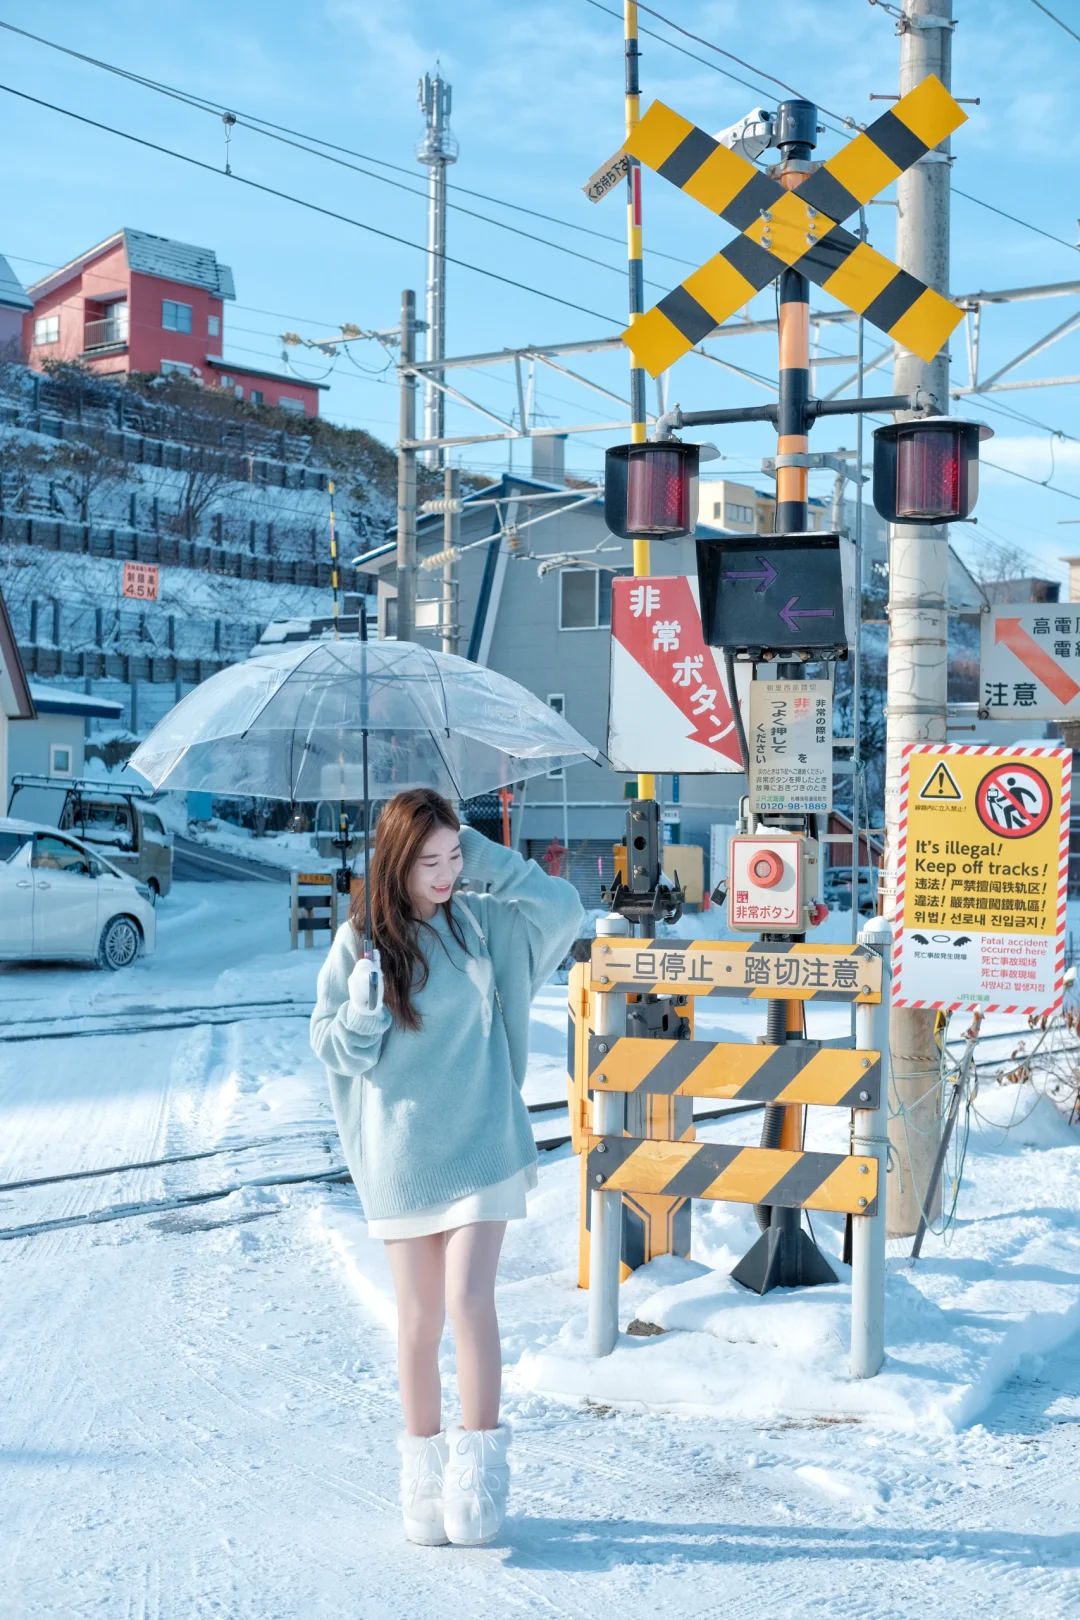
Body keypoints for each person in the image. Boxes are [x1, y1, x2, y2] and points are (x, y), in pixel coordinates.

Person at [310, 788, 584, 1548]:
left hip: (484, 1140)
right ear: (396, 862)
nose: (444, 873)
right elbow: (332, 1046)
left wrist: (488, 858)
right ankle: (423, 1479)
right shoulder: (361, 944)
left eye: (453, 856)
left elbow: (563, 912)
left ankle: (479, 1475)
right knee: (419, 1319)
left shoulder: (480, 921)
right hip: (404, 1154)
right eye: (428, 860)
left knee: (468, 1301)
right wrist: (362, 1009)